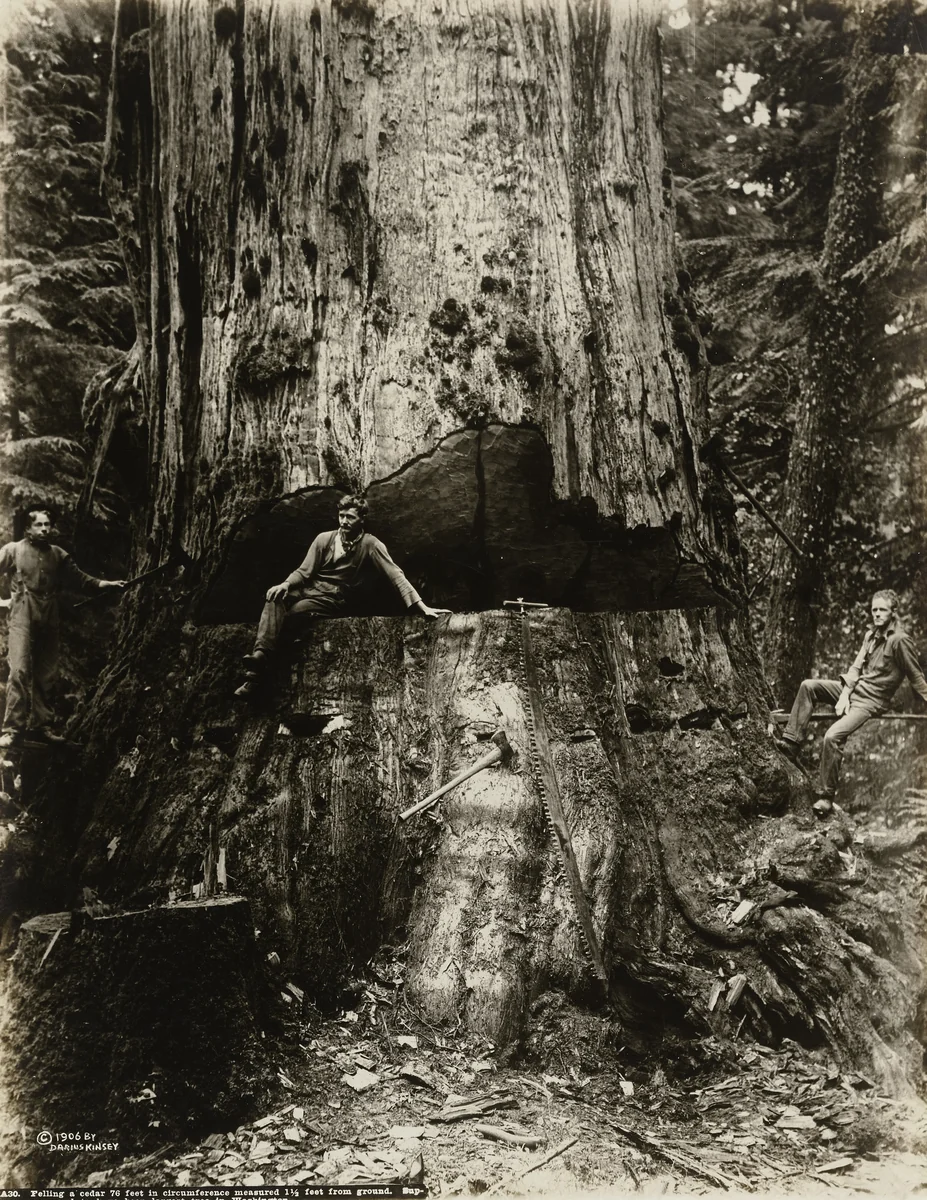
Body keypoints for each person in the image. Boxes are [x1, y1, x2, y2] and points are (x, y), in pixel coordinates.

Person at [235, 494, 449, 696]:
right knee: (274, 597)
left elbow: (395, 575)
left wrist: (421, 606)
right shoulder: (323, 539)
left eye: (350, 517)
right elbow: (304, 571)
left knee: (294, 613)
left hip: (333, 599)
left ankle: (255, 678)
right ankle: (260, 656)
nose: (344, 521)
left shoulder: (370, 545)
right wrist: (285, 584)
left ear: (362, 519)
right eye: (341, 516)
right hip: (309, 590)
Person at [776, 589, 927, 814]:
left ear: (893, 613)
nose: (876, 614)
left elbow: (916, 677)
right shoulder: (870, 635)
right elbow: (856, 668)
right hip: (853, 690)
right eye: (874, 609)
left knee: (832, 736)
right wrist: (845, 694)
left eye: (882, 610)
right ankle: (792, 743)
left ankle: (826, 797)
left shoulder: (900, 641)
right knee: (809, 686)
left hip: (870, 701)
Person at [0, 508, 126, 748]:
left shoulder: (58, 554)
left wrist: (104, 583)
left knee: (46, 674)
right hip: (21, 614)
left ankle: (40, 727)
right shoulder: (13, 550)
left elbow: (81, 579)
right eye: (39, 525)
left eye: (48, 524)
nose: (45, 529)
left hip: (49, 614)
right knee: (18, 671)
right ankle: (12, 730)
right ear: (28, 528)